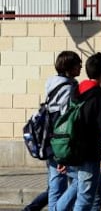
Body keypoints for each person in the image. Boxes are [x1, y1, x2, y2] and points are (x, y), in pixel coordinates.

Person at [24, 50, 82, 211]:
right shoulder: (69, 88)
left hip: (49, 140)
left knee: (56, 185)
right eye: (78, 65)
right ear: (69, 68)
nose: (81, 68)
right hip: (61, 141)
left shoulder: (52, 83)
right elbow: (65, 118)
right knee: (79, 181)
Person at [55, 52, 101, 211]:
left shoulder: (76, 90)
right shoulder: (99, 96)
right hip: (88, 153)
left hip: (73, 149)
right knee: (85, 199)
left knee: (97, 192)